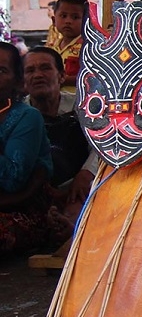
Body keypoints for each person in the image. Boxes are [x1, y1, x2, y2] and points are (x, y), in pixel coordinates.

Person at [0, 42, 66, 256]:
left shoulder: (27, 117)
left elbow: (13, 179)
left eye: (1, 71)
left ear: (18, 82)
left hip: (22, 210)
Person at [22, 46, 97, 220]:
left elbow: (103, 141)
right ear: (23, 81)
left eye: (45, 68)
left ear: (62, 76)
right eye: (30, 70)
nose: (38, 75)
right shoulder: (17, 115)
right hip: (32, 192)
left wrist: (86, 174)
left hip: (79, 189)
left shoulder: (84, 105)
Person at [45, 0, 88, 94]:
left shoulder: (88, 47)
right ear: (54, 20)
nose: (68, 21)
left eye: (75, 17)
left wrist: (62, 80)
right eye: (63, 16)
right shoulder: (51, 48)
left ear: (87, 21)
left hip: (78, 102)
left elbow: (93, 77)